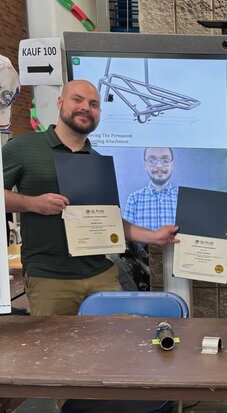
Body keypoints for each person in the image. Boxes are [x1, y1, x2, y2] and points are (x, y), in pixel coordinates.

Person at [2, 80, 179, 317]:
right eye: (78, 99)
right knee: (56, 351)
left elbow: (111, 221)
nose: (86, 107)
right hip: (50, 280)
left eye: (94, 104)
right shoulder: (23, 148)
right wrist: (33, 203)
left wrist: (154, 236)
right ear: (60, 102)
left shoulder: (98, 162)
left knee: (111, 349)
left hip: (101, 276)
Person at [123, 147, 178, 231]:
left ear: (172, 165)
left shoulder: (182, 199)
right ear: (145, 165)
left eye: (165, 161)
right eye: (152, 161)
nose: (159, 166)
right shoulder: (134, 199)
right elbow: (126, 237)